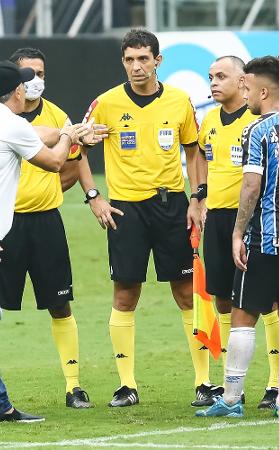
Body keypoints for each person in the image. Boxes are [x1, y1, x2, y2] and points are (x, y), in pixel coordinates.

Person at [0, 60, 103, 428]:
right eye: (26, 85)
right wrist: (71, 137)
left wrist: (64, 129)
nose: (30, 89)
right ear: (18, 92)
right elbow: (56, 162)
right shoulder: (11, 125)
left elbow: (38, 131)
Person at [197, 56, 279, 420]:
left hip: (267, 239)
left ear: (263, 90)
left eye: (247, 87)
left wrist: (238, 233)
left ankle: (231, 397)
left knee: (242, 316)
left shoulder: (258, 130)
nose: (245, 93)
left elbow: (252, 185)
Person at [78, 29, 204, 407]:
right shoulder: (105, 104)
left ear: (158, 61)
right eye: (130, 59)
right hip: (126, 210)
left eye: (143, 59)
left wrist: (198, 198)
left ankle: (204, 382)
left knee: (185, 293)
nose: (136, 66)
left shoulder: (180, 101)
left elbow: (194, 151)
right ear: (123, 62)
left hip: (172, 207)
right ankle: (126, 385)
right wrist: (93, 196)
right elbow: (77, 147)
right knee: (125, 293)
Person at [195, 56, 279, 409]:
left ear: (243, 80)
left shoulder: (258, 119)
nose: (213, 82)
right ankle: (235, 386)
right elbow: (200, 154)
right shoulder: (210, 120)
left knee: (269, 299)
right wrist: (199, 194)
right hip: (216, 219)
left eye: (221, 76)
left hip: (251, 218)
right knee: (223, 299)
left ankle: (277, 383)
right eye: (210, 77)